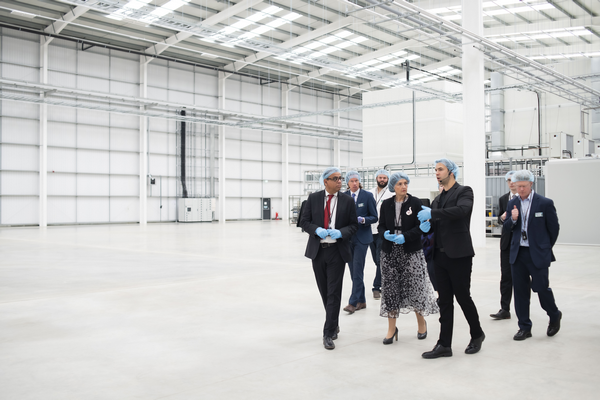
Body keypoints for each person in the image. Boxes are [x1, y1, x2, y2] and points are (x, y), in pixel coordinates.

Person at [418, 158, 485, 359]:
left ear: (451, 172)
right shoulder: (438, 199)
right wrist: (426, 227)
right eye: (435, 170)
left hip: (459, 255)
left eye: (440, 169)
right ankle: (444, 344)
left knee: (463, 297)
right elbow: (436, 223)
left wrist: (433, 213)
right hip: (439, 256)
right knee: (444, 301)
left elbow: (461, 211)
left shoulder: (464, 191)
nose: (436, 173)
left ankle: (477, 334)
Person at [300, 167, 358, 350]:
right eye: (335, 178)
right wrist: (315, 229)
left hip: (337, 252)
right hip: (318, 251)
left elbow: (354, 225)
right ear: (325, 181)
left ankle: (328, 333)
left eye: (341, 178)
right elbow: (304, 221)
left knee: (334, 292)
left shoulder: (347, 201)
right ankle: (333, 322)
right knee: (324, 290)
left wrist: (341, 232)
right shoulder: (313, 198)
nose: (340, 181)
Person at [378, 172, 439, 344]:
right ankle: (392, 329)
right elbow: (381, 225)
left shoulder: (415, 203)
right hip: (390, 252)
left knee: (415, 287)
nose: (403, 186)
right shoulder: (386, 204)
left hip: (411, 251)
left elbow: (422, 227)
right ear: (393, 187)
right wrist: (385, 234)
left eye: (405, 183)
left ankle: (421, 323)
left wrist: (406, 236)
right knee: (390, 290)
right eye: (400, 184)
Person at [503, 170, 561, 341]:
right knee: (520, 292)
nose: (520, 189)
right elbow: (506, 228)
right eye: (518, 186)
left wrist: (544, 247)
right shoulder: (512, 203)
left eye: (524, 186)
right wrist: (512, 219)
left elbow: (554, 229)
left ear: (531, 184)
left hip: (537, 253)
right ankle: (524, 327)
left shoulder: (544, 203)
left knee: (541, 288)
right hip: (518, 254)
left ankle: (554, 314)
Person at [342, 171, 378, 314]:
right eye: (352, 181)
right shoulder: (343, 196)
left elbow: (374, 217)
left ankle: (353, 302)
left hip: (362, 238)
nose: (354, 183)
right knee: (353, 272)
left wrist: (363, 220)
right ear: (347, 183)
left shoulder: (367, 196)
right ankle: (362, 301)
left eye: (356, 180)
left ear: (360, 182)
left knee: (357, 270)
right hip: (348, 238)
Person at [490, 171, 517, 320]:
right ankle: (504, 309)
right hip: (506, 243)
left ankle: (522, 309)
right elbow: (500, 219)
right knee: (506, 277)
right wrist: (502, 217)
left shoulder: (524, 198)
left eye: (514, 180)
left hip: (521, 243)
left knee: (522, 278)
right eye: (508, 180)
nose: (511, 183)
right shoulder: (503, 199)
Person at [368, 169, 394, 299]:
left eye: (384, 178)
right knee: (376, 259)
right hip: (369, 231)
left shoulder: (391, 194)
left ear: (388, 179)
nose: (382, 180)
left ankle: (376, 287)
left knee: (380, 260)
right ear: (376, 179)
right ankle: (385, 283)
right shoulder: (369, 193)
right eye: (380, 178)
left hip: (382, 231)